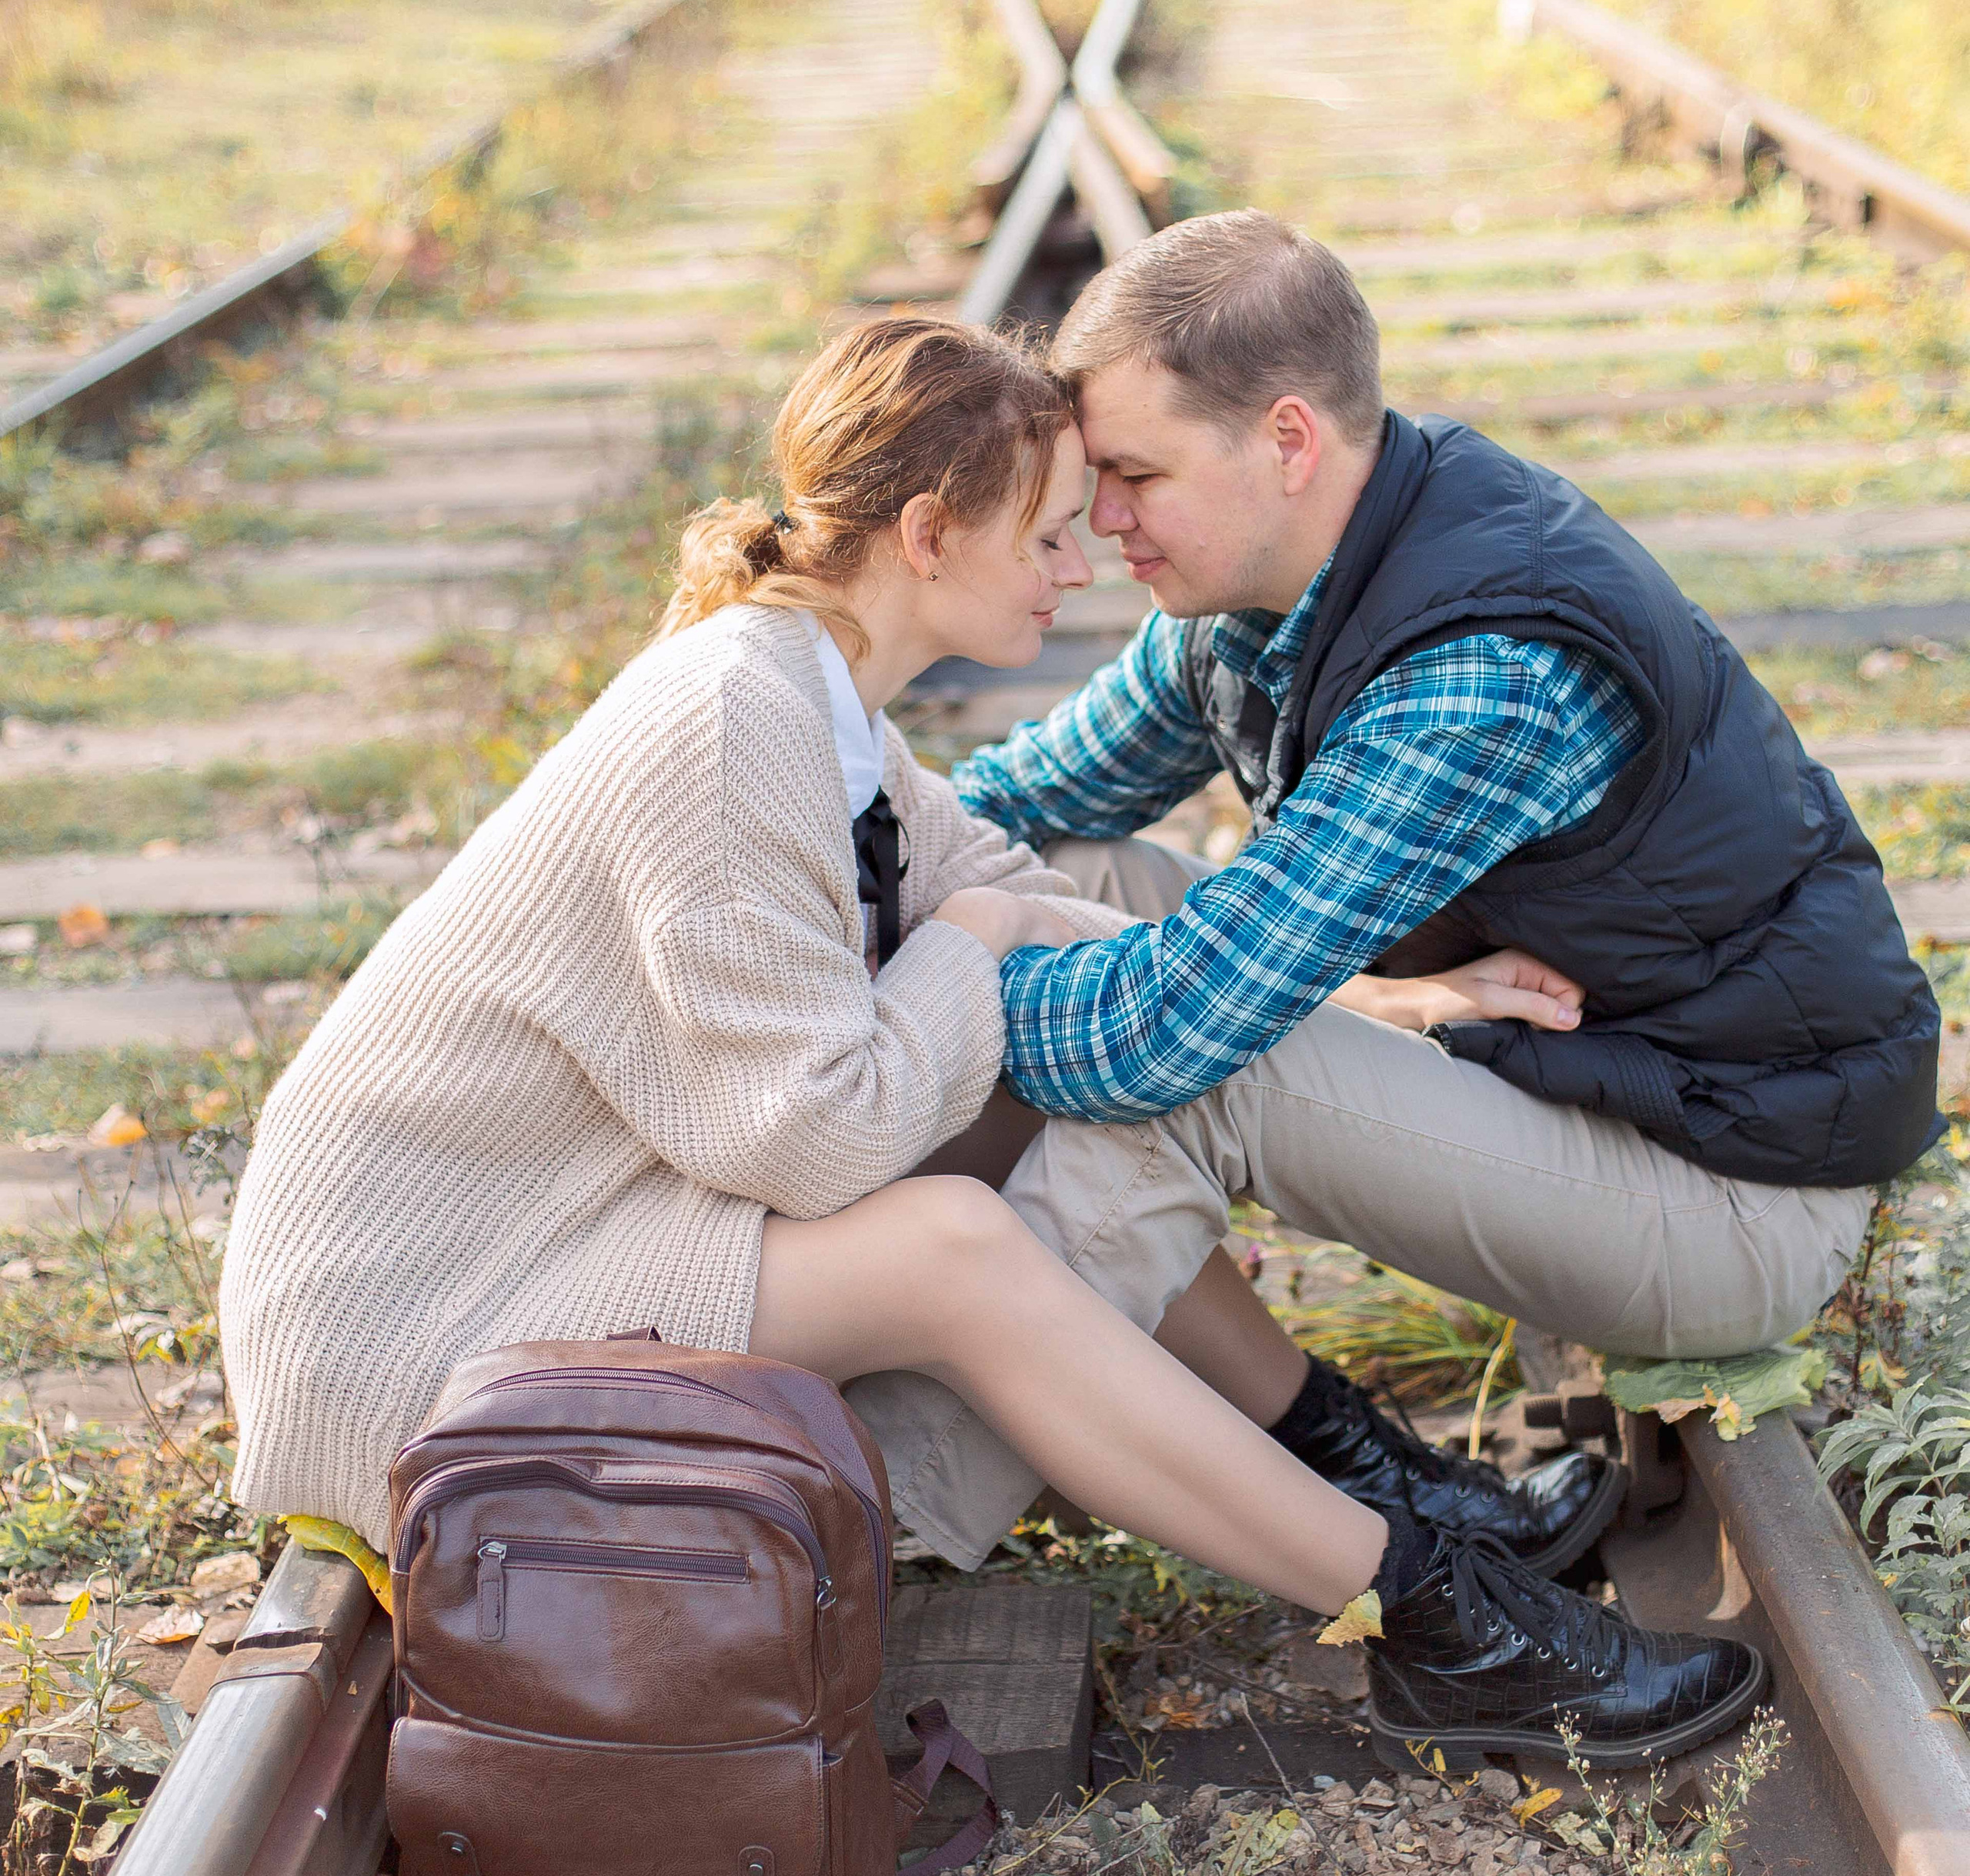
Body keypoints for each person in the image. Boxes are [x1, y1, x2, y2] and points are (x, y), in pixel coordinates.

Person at [221, 316, 1763, 1771]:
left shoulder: (819, 700)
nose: (1073, 566)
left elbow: (1025, 903)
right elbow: (825, 1130)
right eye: (1040, 534)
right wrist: (968, 950)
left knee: (1094, 1094)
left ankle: (1349, 1462)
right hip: (420, 1332)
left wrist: (1357, 1002)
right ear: (926, 534)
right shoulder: (727, 722)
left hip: (564, 1238)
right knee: (945, 1245)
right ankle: (1433, 1614)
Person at [896, 209, 1938, 1587]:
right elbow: (1021, 806)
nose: (1103, 525)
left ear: (1287, 439)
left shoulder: (1486, 665)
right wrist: (828, 884)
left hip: (1735, 1193)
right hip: (1590, 1087)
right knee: (1060, 885)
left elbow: (1168, 1035)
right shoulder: (1277, 575)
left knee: (1186, 1077)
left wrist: (895, 1028)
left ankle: (850, 1526)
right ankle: (1299, 1440)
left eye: (1136, 476)